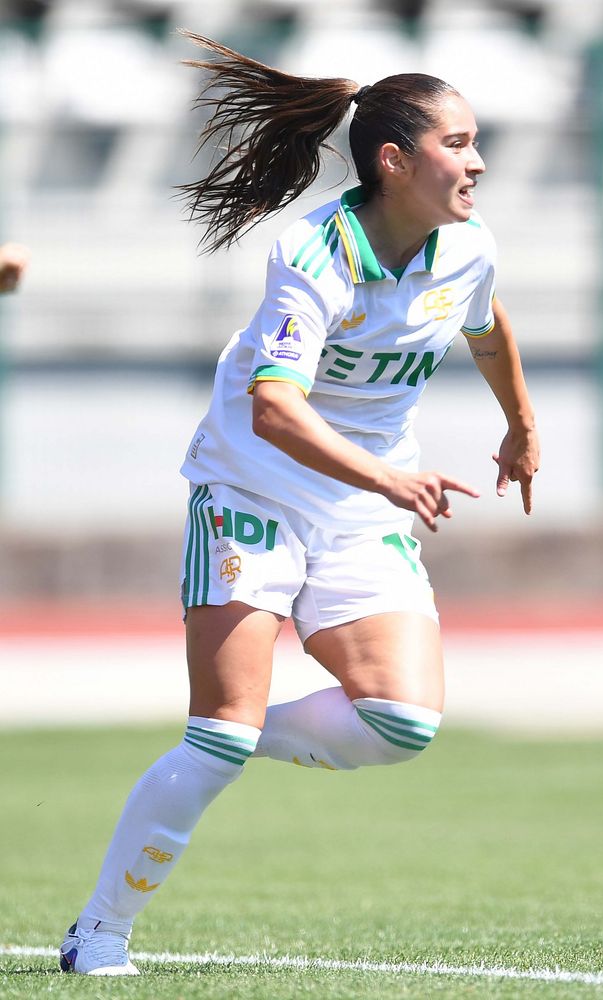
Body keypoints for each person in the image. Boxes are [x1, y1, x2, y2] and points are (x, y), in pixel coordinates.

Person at [59, 34, 539, 976]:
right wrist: (389, 477)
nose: (478, 161)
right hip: (253, 490)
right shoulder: (314, 251)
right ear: (394, 161)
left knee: (401, 724)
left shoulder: (468, 248)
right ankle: (100, 934)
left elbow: (485, 324)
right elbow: (273, 409)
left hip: (360, 504)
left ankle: (230, 735)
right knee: (218, 738)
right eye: (459, 142)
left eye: (478, 141)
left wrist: (520, 424)